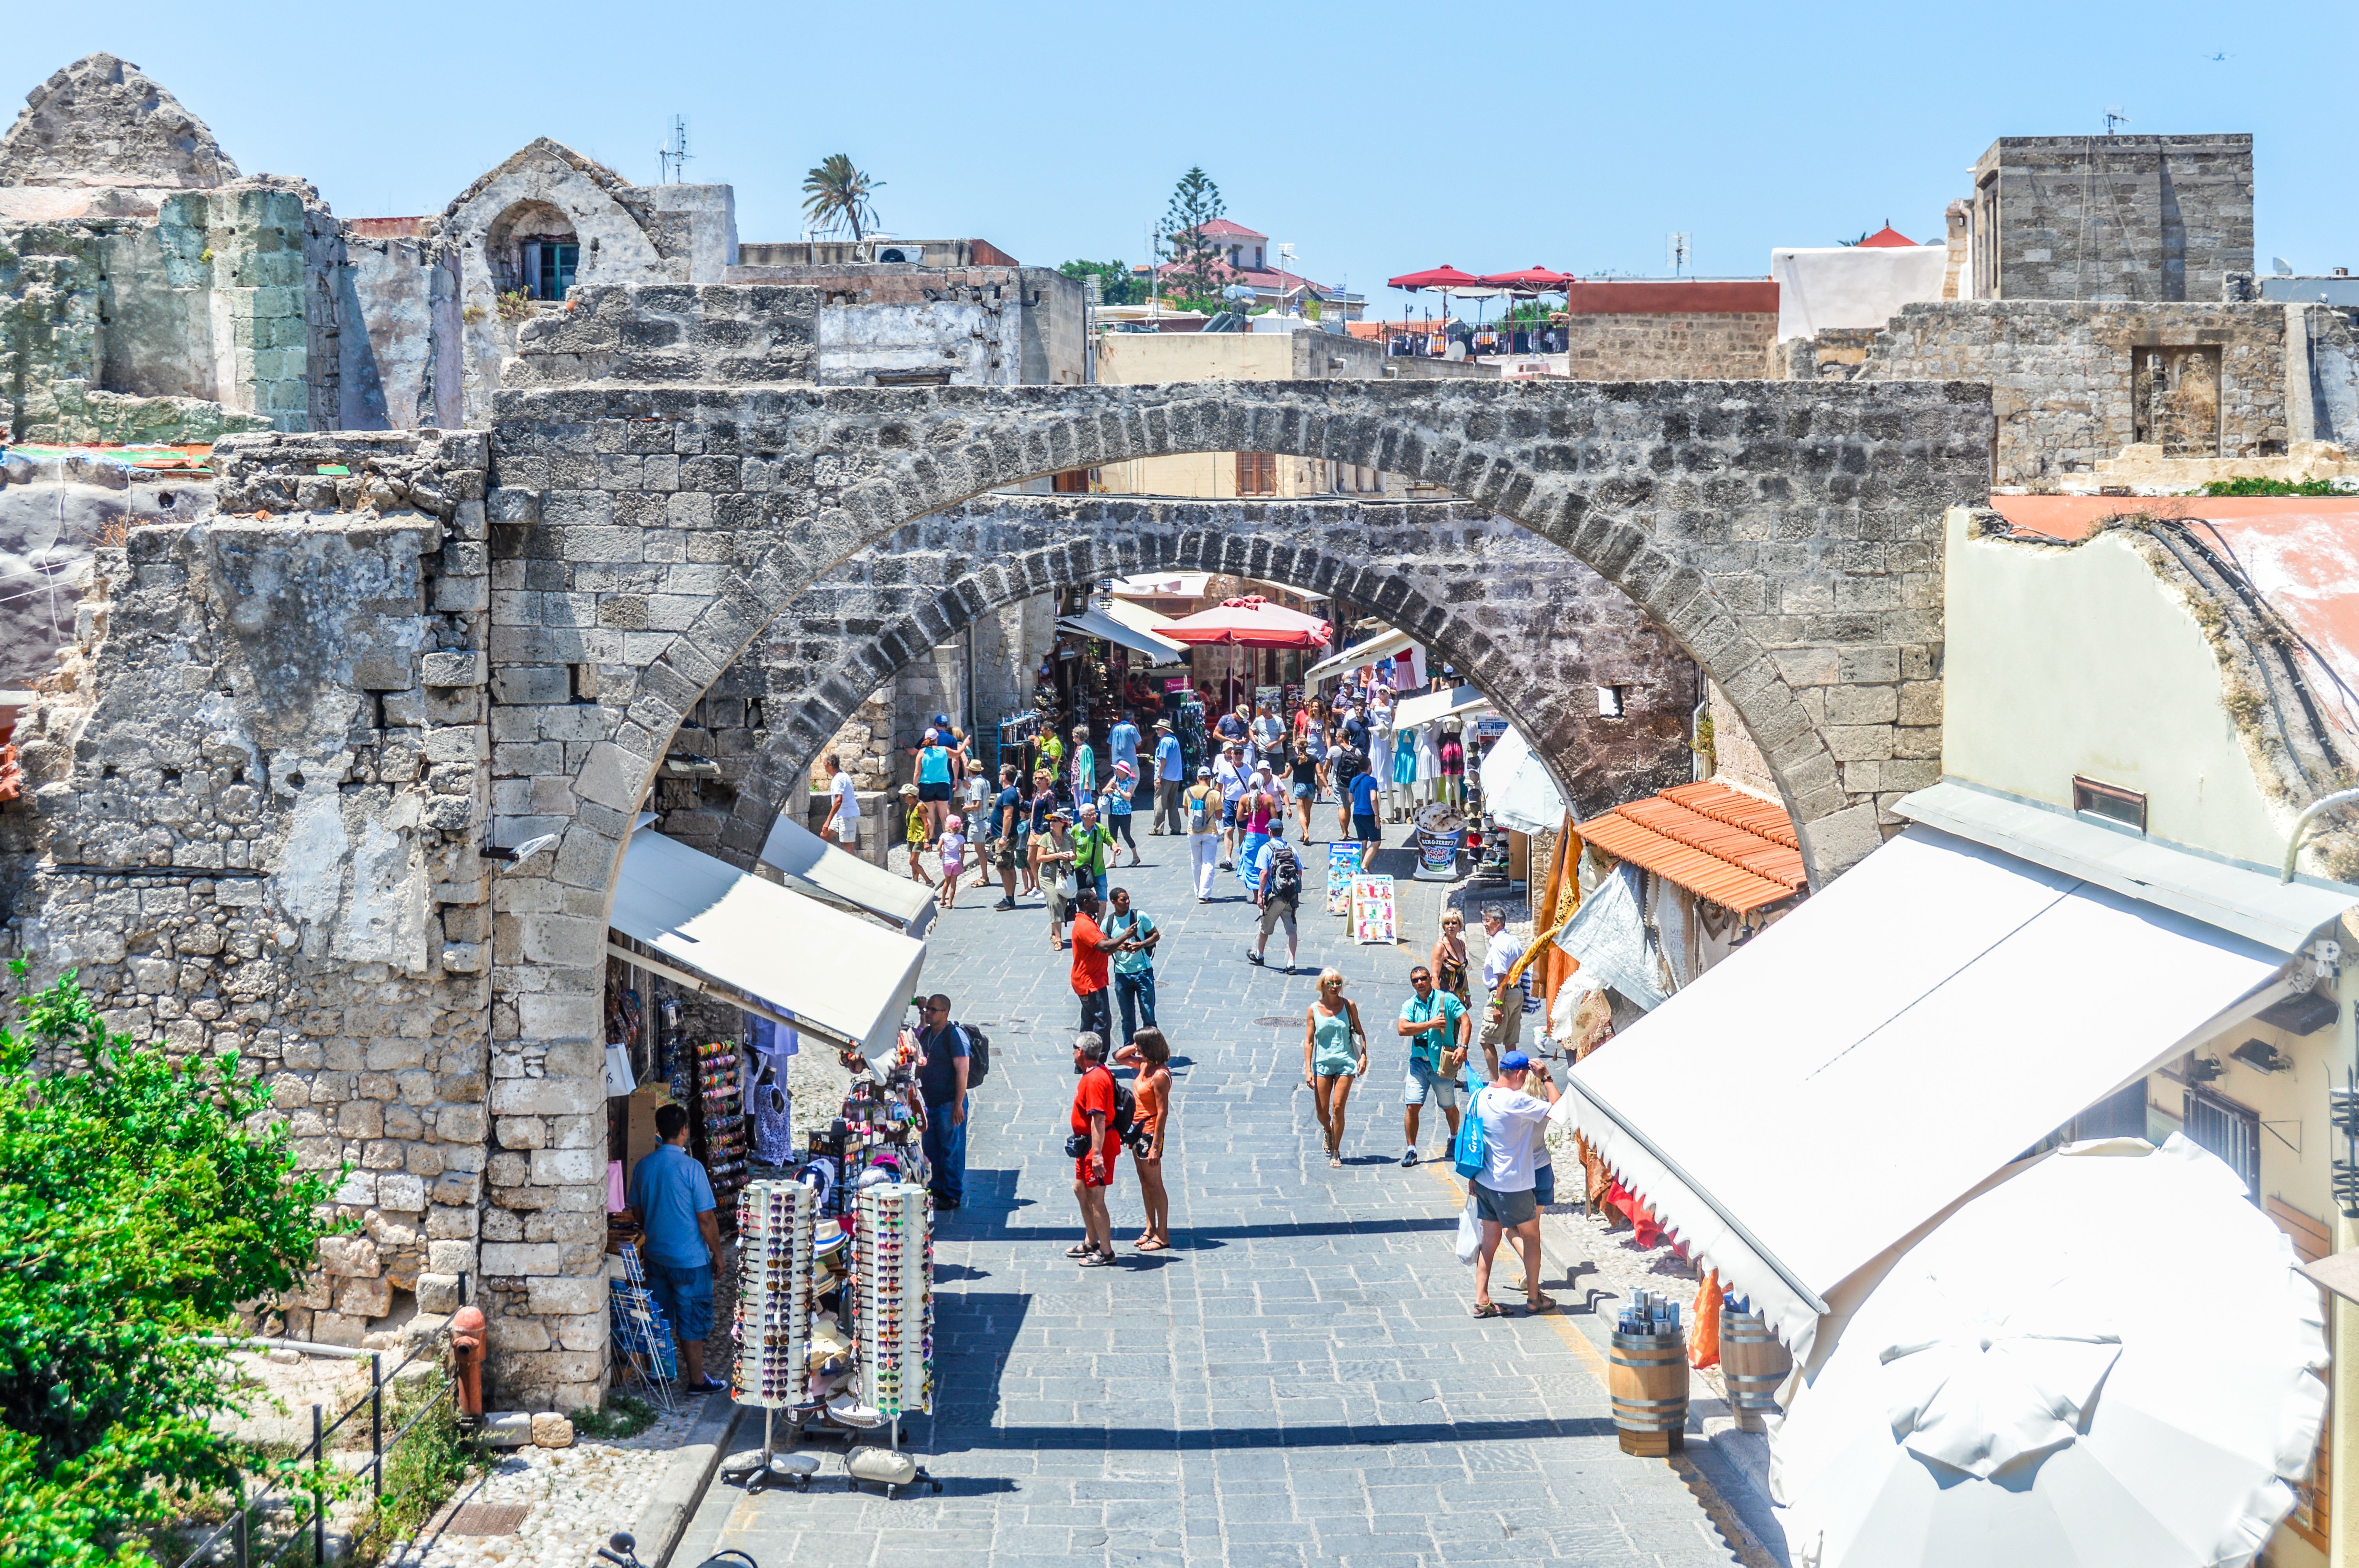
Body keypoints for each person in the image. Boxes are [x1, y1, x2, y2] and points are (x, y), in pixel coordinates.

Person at [627, 1103, 725, 1392]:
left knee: (659, 1317)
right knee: (692, 1319)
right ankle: (696, 1380)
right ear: (684, 1131)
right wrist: (717, 1254)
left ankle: (659, 1374)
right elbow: (706, 1220)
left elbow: (638, 1210)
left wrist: (654, 1230)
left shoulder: (644, 1167)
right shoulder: (692, 1169)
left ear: (658, 1131)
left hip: (657, 1255)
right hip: (690, 1260)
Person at [1469, 1052, 1560, 1317]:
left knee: (1490, 1240)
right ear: (1520, 1074)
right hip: (1512, 1183)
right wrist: (1547, 1078)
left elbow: (1474, 1140)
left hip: (1485, 1180)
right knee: (1532, 1238)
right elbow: (1559, 1109)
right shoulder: (1515, 1100)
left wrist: (1472, 1177)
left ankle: (1482, 1299)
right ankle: (1534, 1298)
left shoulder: (1478, 1096)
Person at [1396, 963, 1469, 1166]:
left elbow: (1465, 1021)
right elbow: (1402, 1029)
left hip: (1442, 1065)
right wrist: (1430, 1025)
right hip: (1419, 1062)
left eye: (1423, 978)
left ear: (1430, 979)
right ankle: (1412, 1149)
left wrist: (1463, 1046)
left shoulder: (1446, 999)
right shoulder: (1410, 1004)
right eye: (1416, 980)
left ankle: (1454, 1138)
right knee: (1412, 1105)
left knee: (1448, 1106)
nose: (1420, 983)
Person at [1300, 969, 1370, 1169]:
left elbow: (1359, 1032)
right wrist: (1308, 1069)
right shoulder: (1313, 1009)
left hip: (1346, 1063)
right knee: (1322, 1113)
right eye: (1330, 983)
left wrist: (1363, 1056)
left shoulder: (1349, 1006)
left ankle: (1336, 1151)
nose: (1334, 987)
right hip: (1322, 1064)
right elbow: (1309, 1042)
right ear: (1322, 985)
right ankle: (1328, 1130)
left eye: (1338, 983)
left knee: (1338, 1107)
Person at [1115, 1027, 1173, 1251]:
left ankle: (1163, 1234)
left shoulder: (1160, 1076)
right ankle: (1150, 1228)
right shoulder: (1144, 1065)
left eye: (1139, 1045)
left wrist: (1156, 1147)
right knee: (1144, 1181)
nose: (1135, 1049)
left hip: (1150, 1134)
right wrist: (1136, 1045)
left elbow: (1163, 1112)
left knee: (1155, 1184)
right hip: (1136, 1131)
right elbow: (1119, 1057)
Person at [914, 993, 970, 1209]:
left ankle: (953, 1194)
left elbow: (963, 1070)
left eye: (933, 1010)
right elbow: (920, 1060)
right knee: (932, 1148)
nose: (928, 1012)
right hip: (929, 1103)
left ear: (945, 1013)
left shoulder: (955, 1036)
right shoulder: (928, 1033)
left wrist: (958, 1104)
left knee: (951, 1150)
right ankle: (936, 1187)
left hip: (949, 1103)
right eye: (928, 1009)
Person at [1069, 1031, 1119, 1266]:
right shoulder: (1093, 1074)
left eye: (1074, 1047)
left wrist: (1097, 1155)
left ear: (1080, 1052)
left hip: (1096, 1147)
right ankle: (1091, 1240)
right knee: (1081, 1188)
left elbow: (1098, 1119)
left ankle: (1107, 1253)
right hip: (1086, 1146)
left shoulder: (1096, 1079)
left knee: (1097, 1198)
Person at [1105, 884, 1161, 1045]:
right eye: (1124, 900)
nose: (1128, 902)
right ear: (1114, 902)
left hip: (1143, 972)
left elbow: (1156, 935)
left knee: (1148, 1014)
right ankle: (1129, 1049)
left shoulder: (1140, 916)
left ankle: (1153, 1050)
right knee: (1127, 1017)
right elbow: (1105, 950)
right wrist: (1118, 945)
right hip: (1122, 975)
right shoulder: (1108, 923)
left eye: (1128, 899)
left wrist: (1142, 944)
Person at [1479, 903, 1529, 1078]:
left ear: (1498, 923)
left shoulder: (1499, 945)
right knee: (1510, 1040)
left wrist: (1498, 1004)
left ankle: (1494, 1081)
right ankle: (1513, 1079)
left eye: (1487, 921)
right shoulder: (1513, 940)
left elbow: (1502, 978)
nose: (1485, 925)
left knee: (1486, 1040)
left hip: (1503, 995)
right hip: (1517, 993)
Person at [1249, 816, 1301, 973]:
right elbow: (1299, 871)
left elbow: (1264, 873)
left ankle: (1260, 954)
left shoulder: (1266, 849)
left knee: (1265, 928)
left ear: (1270, 832)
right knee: (1292, 931)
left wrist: (1259, 896)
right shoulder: (1292, 849)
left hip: (1274, 896)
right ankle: (1291, 963)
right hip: (1290, 896)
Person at [1069, 889, 1114, 1041]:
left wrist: (1120, 946)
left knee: (1088, 1023)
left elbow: (1101, 947)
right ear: (1086, 903)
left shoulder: (1087, 921)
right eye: (1095, 900)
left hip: (1091, 979)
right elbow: (1104, 947)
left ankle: (1082, 1061)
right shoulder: (1085, 926)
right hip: (1090, 982)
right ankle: (1097, 1060)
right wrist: (1126, 936)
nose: (1099, 903)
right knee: (1102, 1023)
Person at [1034, 808, 1076, 949]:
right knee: (1054, 902)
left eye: (1055, 820)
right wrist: (1057, 856)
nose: (1052, 822)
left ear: (1063, 823)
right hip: (1047, 876)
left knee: (1061, 906)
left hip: (1063, 876)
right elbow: (1039, 858)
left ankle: (1053, 934)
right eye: (1051, 820)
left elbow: (1075, 855)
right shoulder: (1046, 837)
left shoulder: (1068, 838)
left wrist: (1070, 856)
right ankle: (1058, 940)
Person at [1185, 765, 1221, 902]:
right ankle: (1204, 894)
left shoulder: (1188, 792)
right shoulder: (1215, 794)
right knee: (1208, 863)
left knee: (1196, 862)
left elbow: (1187, 813)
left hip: (1193, 831)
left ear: (1198, 778)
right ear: (1210, 779)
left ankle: (1197, 890)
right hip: (1210, 832)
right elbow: (1219, 816)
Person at [990, 763, 1023, 910]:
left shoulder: (1009, 793)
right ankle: (1009, 898)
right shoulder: (1009, 792)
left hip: (1007, 837)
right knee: (1009, 866)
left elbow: (1008, 816)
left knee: (1003, 866)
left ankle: (1010, 899)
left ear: (1004, 777)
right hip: (1005, 835)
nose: (999, 776)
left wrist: (1004, 836)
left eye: (1000, 774)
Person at [913, 728, 956, 840]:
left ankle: (929, 839)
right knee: (944, 815)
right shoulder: (944, 750)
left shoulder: (922, 752)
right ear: (937, 738)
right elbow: (957, 755)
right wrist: (965, 743)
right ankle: (949, 839)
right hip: (943, 784)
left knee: (929, 815)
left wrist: (914, 786)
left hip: (927, 785)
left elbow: (917, 772)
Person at [1213, 742, 1249, 869]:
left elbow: (1253, 787)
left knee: (1243, 831)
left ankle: (1242, 857)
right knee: (1229, 830)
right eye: (1236, 753)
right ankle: (1228, 859)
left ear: (1243, 755)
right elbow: (1219, 787)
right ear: (1232, 754)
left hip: (1243, 803)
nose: (1239, 756)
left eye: (1241, 754)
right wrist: (1217, 802)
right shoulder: (1225, 768)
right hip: (1229, 802)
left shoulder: (1249, 769)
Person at [1100, 760, 1142, 867]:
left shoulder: (1130, 783)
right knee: (1112, 837)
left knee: (1126, 836)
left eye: (1118, 770)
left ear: (1124, 772)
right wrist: (1109, 790)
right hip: (1113, 813)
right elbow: (1104, 790)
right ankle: (1113, 861)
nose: (1116, 771)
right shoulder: (1114, 780)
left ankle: (1136, 857)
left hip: (1125, 814)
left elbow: (1128, 797)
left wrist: (1118, 789)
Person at [1072, 799, 1114, 902]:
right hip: (1082, 871)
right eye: (1091, 815)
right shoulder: (1075, 830)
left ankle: (1099, 919)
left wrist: (1115, 846)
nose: (1095, 816)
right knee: (1083, 899)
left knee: (1103, 899)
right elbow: (1070, 847)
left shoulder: (1101, 829)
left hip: (1099, 870)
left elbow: (1111, 841)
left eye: (1095, 813)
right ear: (1082, 817)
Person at [1236, 781, 1275, 893]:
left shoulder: (1244, 798)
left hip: (1251, 835)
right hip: (1265, 835)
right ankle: (1265, 892)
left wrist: (1250, 815)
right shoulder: (1268, 798)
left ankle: (1256, 896)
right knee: (1266, 863)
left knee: (1251, 864)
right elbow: (1275, 819)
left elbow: (1239, 818)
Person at [1434, 909, 1473, 1016]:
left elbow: (1462, 972)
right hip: (1445, 998)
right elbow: (1434, 976)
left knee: (1456, 1031)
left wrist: (1468, 994)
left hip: (1459, 998)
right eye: (1447, 923)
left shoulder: (1461, 944)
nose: (1450, 926)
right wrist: (1439, 1003)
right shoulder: (1440, 946)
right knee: (1446, 1031)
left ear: (1460, 926)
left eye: (1454, 923)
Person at [1151, 719, 1186, 836]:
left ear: (1164, 730)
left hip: (1166, 777)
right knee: (1173, 803)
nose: (1157, 732)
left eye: (1158, 729)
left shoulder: (1165, 742)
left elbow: (1163, 760)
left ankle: (1158, 829)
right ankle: (1176, 827)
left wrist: (1159, 777)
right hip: (1175, 777)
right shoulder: (1174, 740)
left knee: (1160, 802)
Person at [900, 782, 935, 889]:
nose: (904, 798)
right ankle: (915, 883)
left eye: (905, 796)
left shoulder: (920, 807)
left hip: (919, 837)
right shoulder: (911, 806)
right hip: (911, 836)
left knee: (912, 862)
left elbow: (926, 824)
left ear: (911, 796)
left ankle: (928, 881)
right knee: (914, 863)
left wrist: (926, 841)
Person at [820, 753, 859, 848]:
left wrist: (828, 821)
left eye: (824, 763)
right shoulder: (841, 776)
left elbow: (839, 801)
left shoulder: (838, 780)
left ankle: (851, 862)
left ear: (830, 765)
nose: (824, 765)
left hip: (847, 816)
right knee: (825, 835)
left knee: (848, 846)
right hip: (840, 815)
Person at [1287, 742, 1320, 844]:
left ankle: (1305, 833)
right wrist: (1326, 786)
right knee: (1307, 812)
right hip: (1311, 786)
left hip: (1299, 786)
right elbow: (1320, 774)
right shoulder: (1314, 759)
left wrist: (1280, 777)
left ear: (1297, 747)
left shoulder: (1294, 760)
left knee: (1301, 812)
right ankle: (1303, 834)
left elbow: (1287, 774)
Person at [1107, 711, 1142, 810]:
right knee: (1135, 778)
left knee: (1118, 778)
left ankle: (1118, 796)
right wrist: (1137, 728)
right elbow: (1139, 744)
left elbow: (1110, 743)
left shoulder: (1114, 728)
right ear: (1132, 720)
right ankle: (1128, 794)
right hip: (1129, 762)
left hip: (1116, 761)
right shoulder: (1132, 728)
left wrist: (1111, 757)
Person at [936, 814, 966, 910]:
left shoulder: (944, 836)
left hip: (947, 863)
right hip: (956, 862)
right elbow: (962, 852)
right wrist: (961, 862)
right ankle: (950, 903)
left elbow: (939, 847)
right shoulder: (961, 838)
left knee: (946, 882)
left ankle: (942, 900)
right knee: (954, 884)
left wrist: (941, 853)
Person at [1350, 761, 1383, 850]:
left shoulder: (1354, 781)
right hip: (1369, 815)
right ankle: (1365, 864)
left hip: (1357, 815)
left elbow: (1351, 799)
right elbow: (1373, 799)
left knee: (1363, 842)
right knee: (1376, 842)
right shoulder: (1372, 781)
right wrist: (1377, 815)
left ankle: (1362, 863)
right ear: (1370, 767)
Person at [1070, 724, 1097, 800]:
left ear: (1078, 736)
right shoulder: (1079, 747)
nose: (1073, 735)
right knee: (1078, 806)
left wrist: (1087, 782)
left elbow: (1088, 768)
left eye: (1074, 734)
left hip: (1082, 782)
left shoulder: (1085, 749)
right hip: (1076, 781)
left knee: (1084, 806)